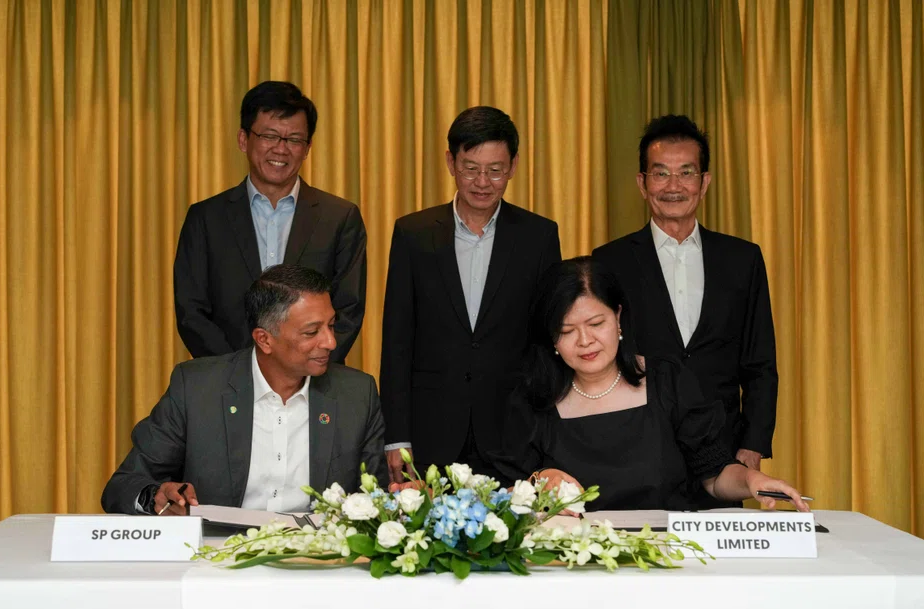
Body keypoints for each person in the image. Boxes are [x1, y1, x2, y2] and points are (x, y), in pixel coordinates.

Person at [492, 257, 807, 513]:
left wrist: (752, 480)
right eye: (567, 330)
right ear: (552, 339)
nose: (585, 341)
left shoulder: (667, 380)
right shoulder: (532, 400)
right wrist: (538, 483)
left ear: (618, 317)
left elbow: (714, 475)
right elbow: (505, 497)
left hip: (669, 559)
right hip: (576, 568)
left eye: (596, 324)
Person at [102, 265, 386, 516]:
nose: (330, 342)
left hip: (318, 563)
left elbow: (378, 495)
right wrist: (156, 497)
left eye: (332, 326)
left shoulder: (357, 394)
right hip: (217, 560)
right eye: (312, 332)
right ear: (264, 339)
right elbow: (124, 486)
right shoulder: (198, 389)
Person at [380, 106, 561, 483]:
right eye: (470, 167)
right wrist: (396, 435)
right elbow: (397, 340)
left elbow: (546, 340)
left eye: (495, 170)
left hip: (513, 431)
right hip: (432, 430)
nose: (482, 181)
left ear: (512, 166)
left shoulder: (538, 237)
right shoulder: (413, 234)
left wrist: (546, 428)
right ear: (451, 162)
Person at [592, 114, 777, 478]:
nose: (673, 185)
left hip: (724, 454)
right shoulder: (608, 261)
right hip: (638, 446)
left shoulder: (742, 259)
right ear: (642, 184)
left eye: (686, 173)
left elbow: (760, 362)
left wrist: (753, 444)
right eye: (660, 173)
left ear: (704, 182)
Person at [174, 81, 366, 363]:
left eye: (294, 139)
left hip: (312, 385)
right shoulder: (205, 218)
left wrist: (300, 368)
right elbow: (191, 311)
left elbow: (348, 309)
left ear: (307, 147)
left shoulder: (339, 217)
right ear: (244, 140)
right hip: (224, 385)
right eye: (269, 136)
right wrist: (237, 373)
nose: (281, 149)